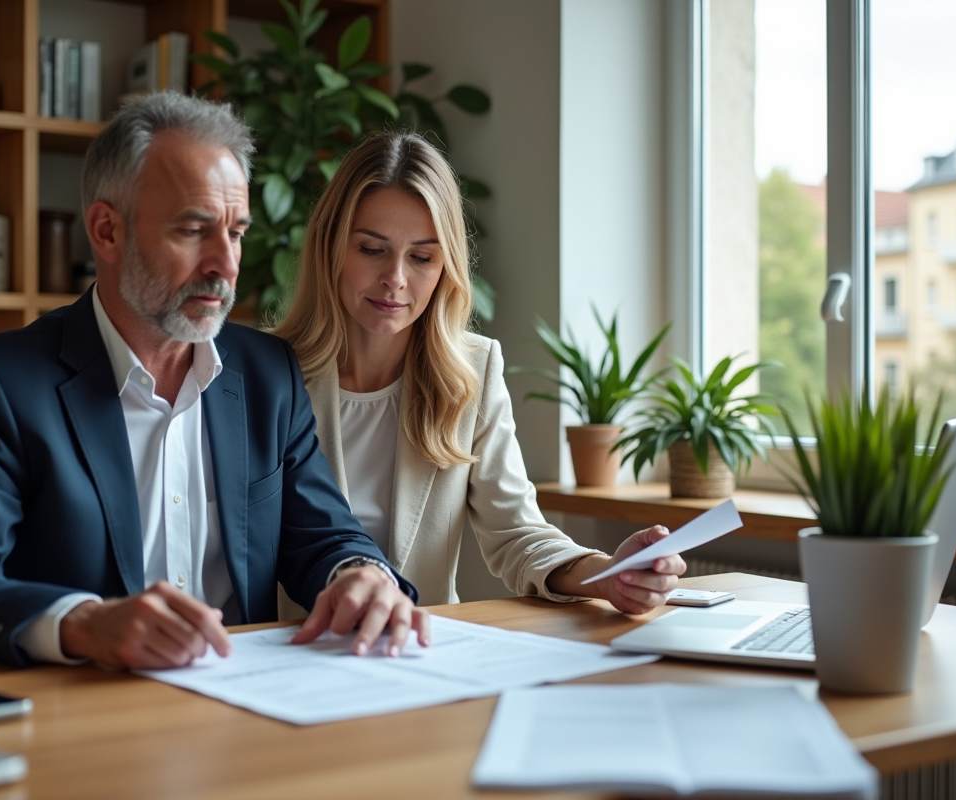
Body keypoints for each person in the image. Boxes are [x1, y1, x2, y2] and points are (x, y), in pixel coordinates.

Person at [0, 94, 429, 670]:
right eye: (194, 230)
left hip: (244, 698)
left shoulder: (268, 373)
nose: (226, 265)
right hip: (82, 704)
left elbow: (324, 536)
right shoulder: (1, 383)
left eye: (236, 233)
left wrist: (360, 573)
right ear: (106, 231)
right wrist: (82, 623)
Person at [271, 132, 685, 613]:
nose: (396, 279)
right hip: (293, 646)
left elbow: (516, 532)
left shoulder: (471, 371)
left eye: (422, 257)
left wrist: (609, 574)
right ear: (330, 246)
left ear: (445, 266)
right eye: (371, 249)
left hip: (422, 645)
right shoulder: (264, 373)